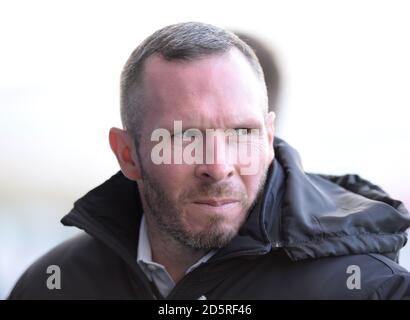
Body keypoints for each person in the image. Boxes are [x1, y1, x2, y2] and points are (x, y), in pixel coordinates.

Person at [8, 22, 410, 300]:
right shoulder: (54, 285)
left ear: (269, 139)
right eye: (185, 137)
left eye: (241, 133)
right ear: (128, 154)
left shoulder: (372, 289)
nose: (218, 166)